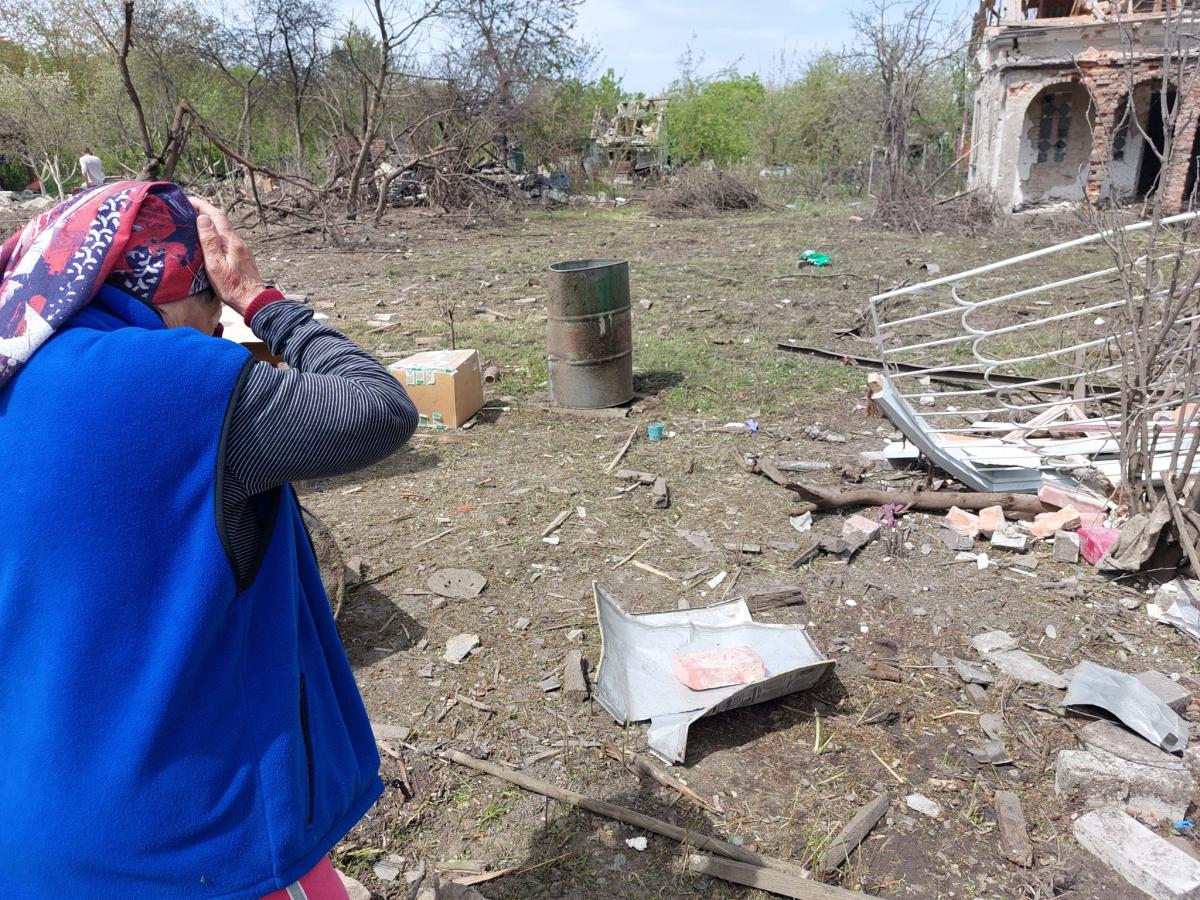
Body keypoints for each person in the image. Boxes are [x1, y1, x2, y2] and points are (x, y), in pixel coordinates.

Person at [0, 181, 419, 898]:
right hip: (182, 846)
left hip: (31, 828)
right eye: (212, 310)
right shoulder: (167, 381)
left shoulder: (17, 376)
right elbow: (378, 410)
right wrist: (261, 299)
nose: (220, 334)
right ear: (173, 285)